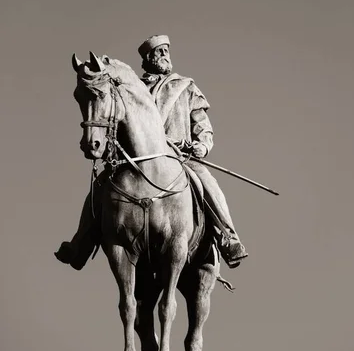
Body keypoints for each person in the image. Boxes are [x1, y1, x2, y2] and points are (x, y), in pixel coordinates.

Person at [55, 35, 248, 269]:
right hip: (137, 159)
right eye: (159, 51)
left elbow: (202, 125)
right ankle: (80, 245)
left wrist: (201, 145)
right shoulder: (133, 89)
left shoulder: (185, 86)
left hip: (179, 156)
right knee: (101, 186)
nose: (165, 55)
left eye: (166, 50)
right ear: (148, 58)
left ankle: (229, 237)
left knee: (206, 181)